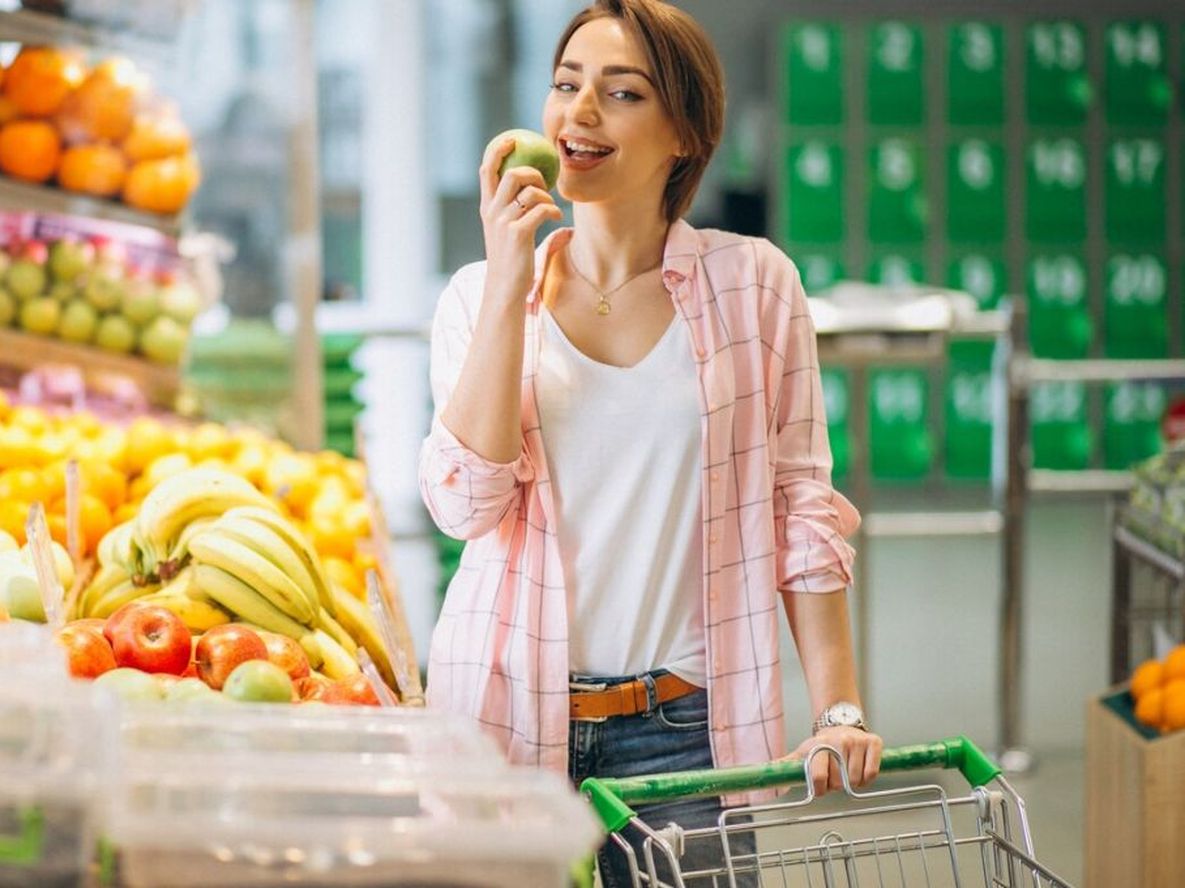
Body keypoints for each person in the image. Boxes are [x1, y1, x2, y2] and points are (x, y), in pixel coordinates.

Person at [419, 1, 883, 884]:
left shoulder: (754, 284)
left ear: (682, 134)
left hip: (683, 733)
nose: (579, 111)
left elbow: (801, 504)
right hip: (505, 715)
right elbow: (463, 502)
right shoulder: (478, 293)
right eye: (565, 85)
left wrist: (837, 709)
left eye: (620, 92)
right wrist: (511, 274)